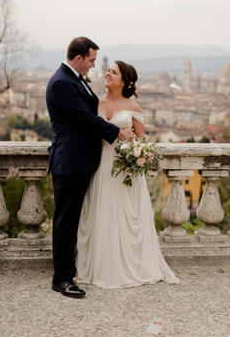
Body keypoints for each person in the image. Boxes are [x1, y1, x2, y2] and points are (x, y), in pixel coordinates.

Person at [74, 60, 179, 288]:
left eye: (114, 72)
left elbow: (141, 141)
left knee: (126, 218)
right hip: (101, 165)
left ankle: (130, 265)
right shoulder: (95, 102)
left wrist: (136, 150)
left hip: (124, 169)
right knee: (102, 213)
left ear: (125, 80)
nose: (108, 74)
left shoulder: (134, 108)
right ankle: (103, 266)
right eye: (108, 71)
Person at [46, 37, 136, 298]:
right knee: (65, 221)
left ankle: (69, 272)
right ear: (79, 58)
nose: (93, 66)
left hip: (79, 161)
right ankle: (61, 279)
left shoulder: (72, 79)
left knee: (72, 219)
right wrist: (117, 133)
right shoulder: (63, 82)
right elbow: (84, 118)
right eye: (91, 61)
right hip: (70, 161)